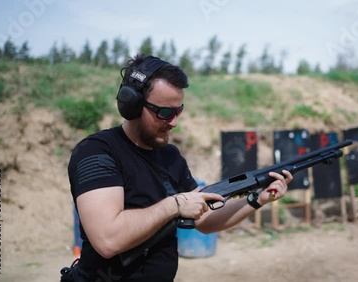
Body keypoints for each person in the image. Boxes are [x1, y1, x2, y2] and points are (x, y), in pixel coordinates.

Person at [65, 54, 293, 282]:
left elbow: (204, 221)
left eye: (178, 111)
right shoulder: (97, 153)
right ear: (132, 104)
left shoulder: (170, 156)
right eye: (165, 112)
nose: (174, 122)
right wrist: (174, 205)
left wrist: (256, 200)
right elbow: (108, 240)